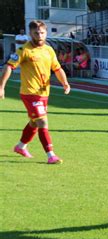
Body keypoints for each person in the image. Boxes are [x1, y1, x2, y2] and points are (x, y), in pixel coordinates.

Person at [0, 20, 70, 164]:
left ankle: (20, 146)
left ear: (46, 33)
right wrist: (1, 87)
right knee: (42, 121)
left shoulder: (49, 50)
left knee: (34, 122)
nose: (39, 35)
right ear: (30, 33)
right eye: (36, 33)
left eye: (42, 32)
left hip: (44, 93)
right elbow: (8, 67)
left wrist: (65, 83)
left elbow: (57, 68)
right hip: (29, 93)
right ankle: (51, 155)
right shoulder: (23, 50)